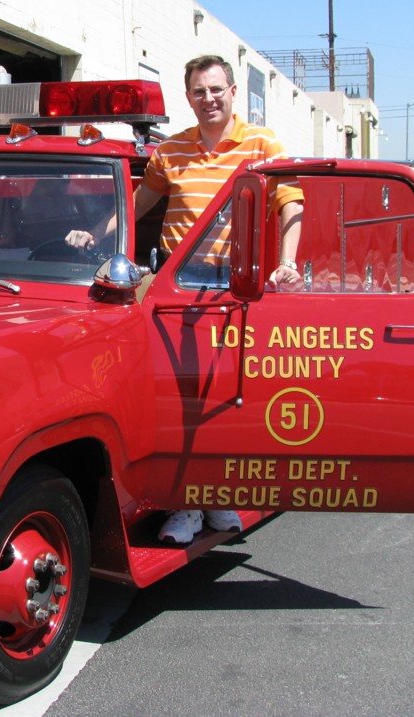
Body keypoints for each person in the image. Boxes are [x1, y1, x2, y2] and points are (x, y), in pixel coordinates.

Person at [69, 54, 305, 544]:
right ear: (189, 97)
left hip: (239, 288)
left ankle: (215, 496)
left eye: (216, 89)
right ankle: (188, 503)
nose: (209, 99)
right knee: (181, 398)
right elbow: (137, 206)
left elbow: (291, 206)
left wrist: (289, 263)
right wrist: (93, 235)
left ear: (234, 92)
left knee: (229, 399)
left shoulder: (263, 145)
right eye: (199, 91)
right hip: (180, 292)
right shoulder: (171, 151)